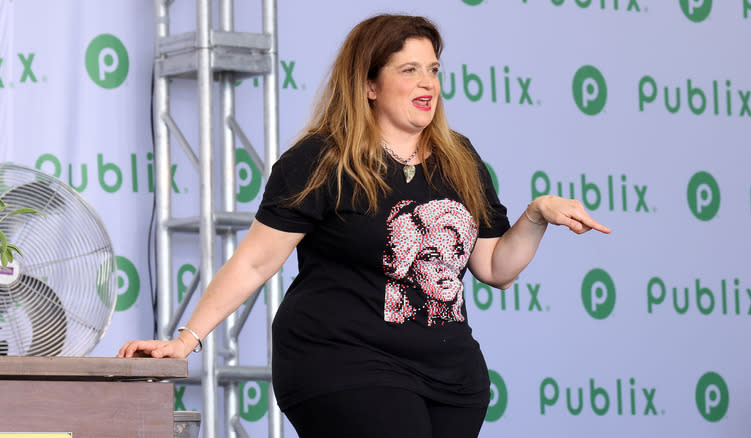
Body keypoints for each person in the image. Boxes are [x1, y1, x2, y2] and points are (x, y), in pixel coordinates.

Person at [118, 13, 611, 438]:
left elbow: (494, 266)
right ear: (370, 85)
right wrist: (186, 339)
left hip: (450, 375)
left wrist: (535, 215)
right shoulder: (322, 159)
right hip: (342, 361)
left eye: (434, 71)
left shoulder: (459, 158)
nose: (428, 83)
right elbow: (254, 261)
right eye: (410, 70)